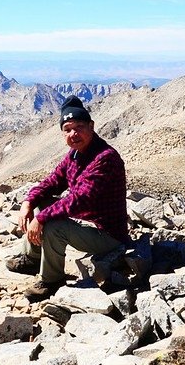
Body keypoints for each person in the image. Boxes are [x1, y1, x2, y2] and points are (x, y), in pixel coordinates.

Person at [10, 95, 130, 301]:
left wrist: (40, 219)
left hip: (107, 234)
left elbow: (80, 200)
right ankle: (33, 258)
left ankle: (51, 281)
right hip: (87, 223)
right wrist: (28, 201)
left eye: (79, 127)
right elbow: (52, 182)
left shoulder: (105, 158)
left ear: (91, 126)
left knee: (53, 226)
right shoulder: (75, 154)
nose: (73, 134)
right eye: (67, 130)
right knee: (43, 202)